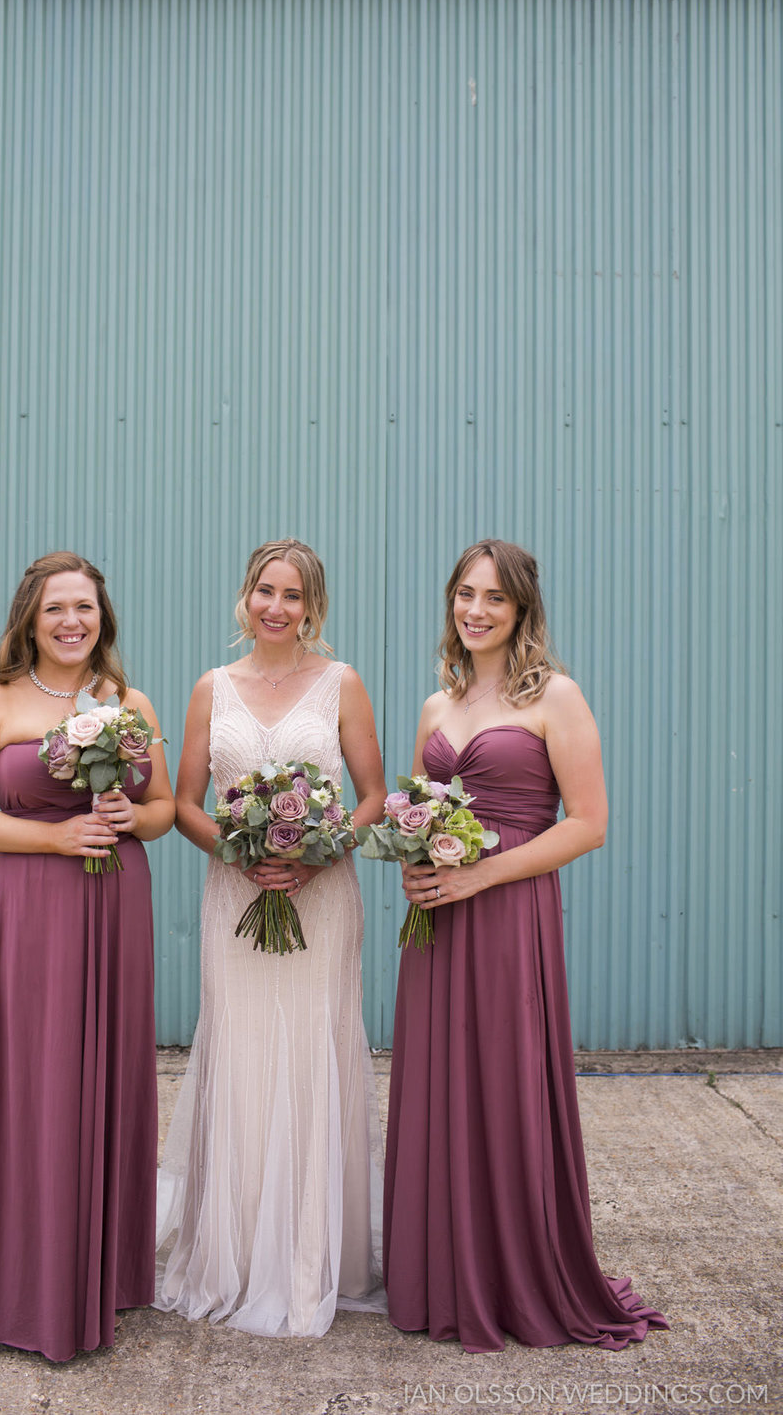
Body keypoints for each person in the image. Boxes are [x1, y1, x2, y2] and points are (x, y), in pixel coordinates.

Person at [384, 539, 668, 1353]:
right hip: (437, 920)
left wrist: (483, 876)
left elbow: (588, 824)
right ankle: (441, 1272)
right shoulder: (437, 706)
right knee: (441, 1081)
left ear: (522, 611)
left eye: (494, 599)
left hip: (509, 917)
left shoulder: (557, 697)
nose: (475, 611)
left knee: (503, 1081)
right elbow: (417, 807)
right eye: (464, 595)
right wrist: (413, 866)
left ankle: (514, 1275)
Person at [0, 552, 175, 1362]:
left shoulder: (129, 701)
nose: (72, 622)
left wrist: (130, 816)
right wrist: (56, 837)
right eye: (56, 608)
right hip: (32, 909)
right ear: (30, 617)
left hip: (117, 903)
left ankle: (104, 1267)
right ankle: (26, 1274)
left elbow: (164, 808)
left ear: (104, 618)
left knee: (107, 1073)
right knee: (38, 1076)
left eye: (85, 609)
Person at [154, 539, 388, 1337]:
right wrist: (235, 850)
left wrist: (320, 852)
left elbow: (373, 796)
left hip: (322, 901)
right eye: (264, 591)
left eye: (292, 595)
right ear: (245, 598)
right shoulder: (209, 689)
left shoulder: (341, 684)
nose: (276, 608)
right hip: (235, 896)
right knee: (244, 1050)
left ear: (312, 606)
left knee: (313, 1054)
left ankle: (314, 1256)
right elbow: (186, 801)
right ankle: (236, 1252)